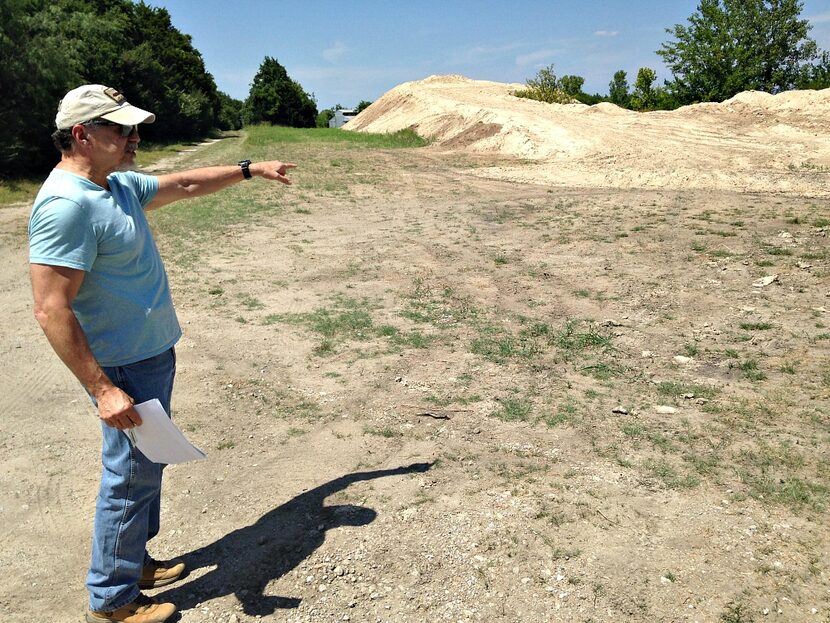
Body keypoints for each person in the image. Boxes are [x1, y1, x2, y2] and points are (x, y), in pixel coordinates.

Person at [28, 84, 296, 623]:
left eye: (134, 128)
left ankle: (134, 562)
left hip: (150, 355)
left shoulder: (115, 185)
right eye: (121, 129)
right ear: (82, 135)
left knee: (146, 471)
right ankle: (112, 601)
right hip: (121, 367)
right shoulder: (66, 206)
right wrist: (104, 389)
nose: (134, 138)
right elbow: (51, 308)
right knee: (128, 480)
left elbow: (187, 181)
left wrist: (249, 169)